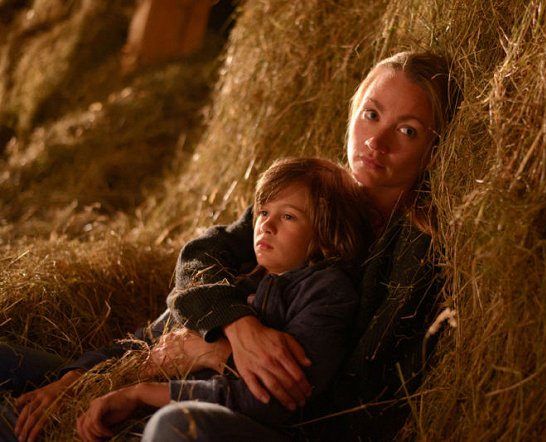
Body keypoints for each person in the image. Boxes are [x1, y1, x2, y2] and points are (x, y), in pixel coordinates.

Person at [147, 50, 462, 440]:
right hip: (207, 383)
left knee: (176, 426)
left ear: (434, 149)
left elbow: (357, 388)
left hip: (296, 425)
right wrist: (235, 323)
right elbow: (203, 255)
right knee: (55, 374)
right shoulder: (313, 193)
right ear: (353, 112)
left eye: (407, 131)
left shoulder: (416, 249)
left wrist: (218, 354)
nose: (376, 142)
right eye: (372, 114)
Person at [74, 157, 371, 441]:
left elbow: (269, 399)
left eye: (289, 216)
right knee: (28, 370)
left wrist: (142, 393)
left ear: (328, 235)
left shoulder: (326, 293)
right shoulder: (237, 279)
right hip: (156, 407)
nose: (266, 225)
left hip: (247, 429)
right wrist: (75, 377)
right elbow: (149, 337)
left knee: (178, 424)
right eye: (264, 212)